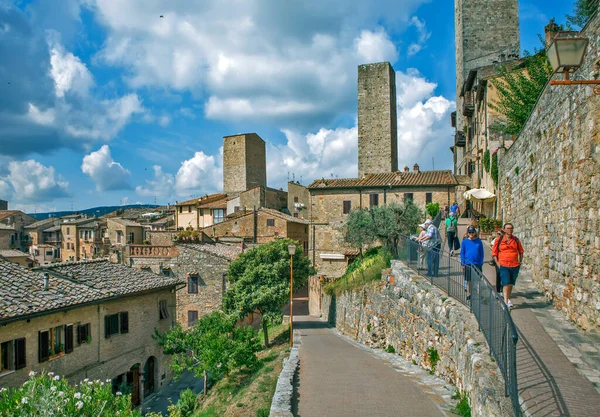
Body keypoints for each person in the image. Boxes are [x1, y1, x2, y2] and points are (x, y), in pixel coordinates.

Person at [492, 223, 524, 309]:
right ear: (504, 229)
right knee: (506, 283)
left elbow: (521, 251)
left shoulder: (516, 240)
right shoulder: (499, 240)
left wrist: (520, 262)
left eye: (511, 228)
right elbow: (494, 253)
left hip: (514, 265)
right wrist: (498, 263)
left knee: (510, 283)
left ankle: (508, 298)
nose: (510, 230)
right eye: (508, 228)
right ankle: (505, 302)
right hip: (503, 264)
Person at [460, 226, 484, 301]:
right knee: (469, 280)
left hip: (477, 263)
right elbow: (462, 253)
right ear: (467, 233)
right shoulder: (464, 242)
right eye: (469, 232)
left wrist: (481, 262)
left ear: (475, 233)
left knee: (478, 279)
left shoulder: (479, 242)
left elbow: (481, 253)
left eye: (472, 232)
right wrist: (462, 264)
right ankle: (469, 294)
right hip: (468, 263)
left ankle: (478, 293)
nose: (471, 234)